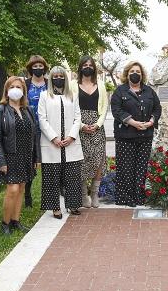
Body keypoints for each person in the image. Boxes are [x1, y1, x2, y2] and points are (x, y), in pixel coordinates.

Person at [0, 77, 41, 234]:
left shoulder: (28, 110)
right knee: (12, 189)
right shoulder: (0, 110)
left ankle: (15, 220)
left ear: (23, 90)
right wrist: (1, 160)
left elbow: (35, 135)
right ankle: (4, 224)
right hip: (10, 155)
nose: (15, 89)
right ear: (6, 90)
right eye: (12, 86)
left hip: (26, 154)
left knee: (21, 188)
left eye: (19, 87)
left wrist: (36, 157)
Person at [110, 61, 162, 207]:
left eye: (138, 72)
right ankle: (125, 198)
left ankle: (139, 197)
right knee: (126, 168)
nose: (135, 74)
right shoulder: (120, 91)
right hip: (125, 136)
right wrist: (133, 123)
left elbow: (157, 108)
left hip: (145, 136)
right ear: (127, 74)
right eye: (132, 71)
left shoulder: (149, 91)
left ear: (142, 75)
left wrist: (151, 121)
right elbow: (116, 110)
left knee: (141, 168)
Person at [38, 66, 84, 218]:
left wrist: (71, 136)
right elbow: (42, 118)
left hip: (70, 143)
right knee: (52, 176)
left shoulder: (73, 96)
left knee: (72, 175)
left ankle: (73, 204)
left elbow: (78, 117)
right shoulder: (45, 95)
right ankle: (55, 207)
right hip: (52, 144)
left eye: (61, 76)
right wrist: (54, 138)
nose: (59, 78)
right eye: (55, 76)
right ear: (51, 79)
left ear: (65, 78)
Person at [70, 56, 108, 208]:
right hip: (79, 126)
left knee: (98, 161)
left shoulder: (101, 84)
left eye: (90, 65)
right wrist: (81, 125)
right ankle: (84, 193)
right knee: (81, 161)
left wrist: (98, 124)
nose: (87, 67)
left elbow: (105, 107)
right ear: (80, 67)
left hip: (97, 127)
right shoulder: (73, 85)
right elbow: (70, 107)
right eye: (84, 65)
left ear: (94, 68)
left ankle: (95, 193)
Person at [23, 55, 50, 208]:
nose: (38, 69)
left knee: (49, 163)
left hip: (48, 128)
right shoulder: (25, 84)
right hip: (30, 129)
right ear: (30, 68)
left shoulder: (50, 84)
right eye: (35, 66)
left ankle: (51, 194)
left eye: (41, 66)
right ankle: (27, 195)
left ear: (44, 68)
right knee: (30, 162)